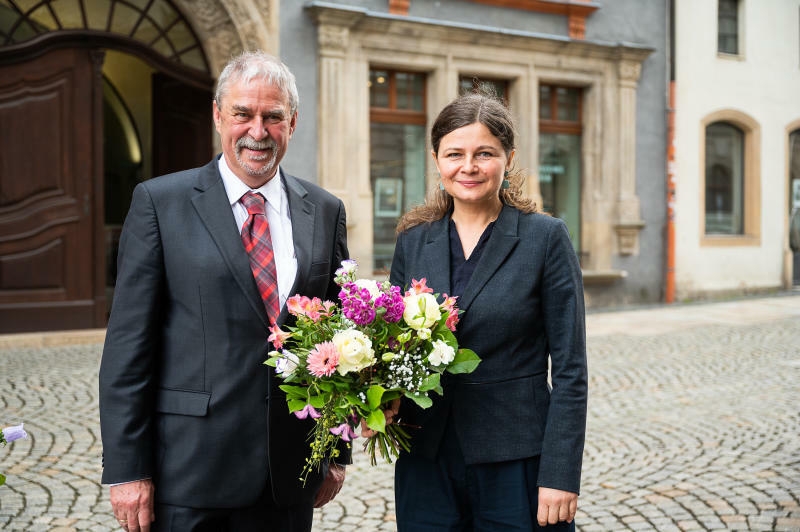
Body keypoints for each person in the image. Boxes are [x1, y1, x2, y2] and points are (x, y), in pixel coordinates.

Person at [99, 51, 349, 532]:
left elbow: (337, 341)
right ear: (218, 115)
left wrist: (334, 450)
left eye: (273, 117)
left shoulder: (324, 210)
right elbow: (128, 346)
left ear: (291, 122)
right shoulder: (160, 203)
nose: (258, 131)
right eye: (243, 114)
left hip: (289, 472)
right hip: (190, 471)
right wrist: (128, 469)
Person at [389, 90, 587, 530]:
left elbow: (571, 369)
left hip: (516, 460)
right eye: (454, 153)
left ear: (508, 158)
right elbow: (394, 351)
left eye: (485, 153)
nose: (469, 167)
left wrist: (559, 474)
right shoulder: (413, 240)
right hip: (427, 458)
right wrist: (377, 400)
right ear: (438, 161)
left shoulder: (546, 238)